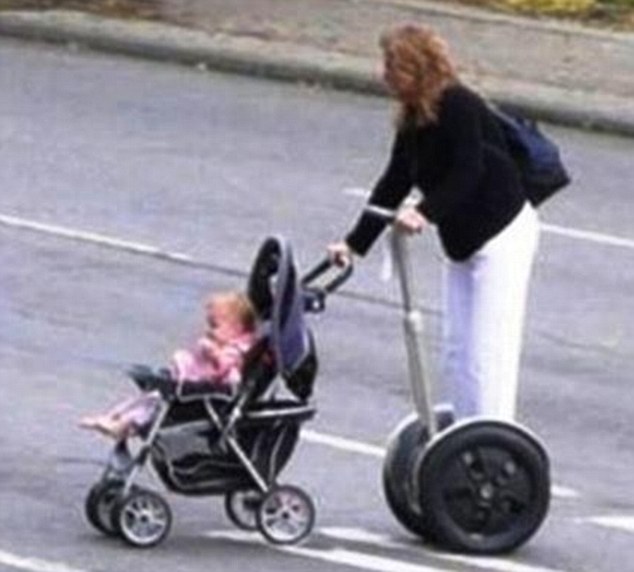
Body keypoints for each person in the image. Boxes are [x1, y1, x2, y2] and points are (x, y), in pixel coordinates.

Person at [328, 24, 539, 421]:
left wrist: (424, 212)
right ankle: (464, 432)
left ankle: (493, 437)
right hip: (463, 243)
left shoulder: (457, 104)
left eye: (393, 67)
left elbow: (468, 170)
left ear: (417, 69)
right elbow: (394, 182)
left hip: (502, 237)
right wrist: (354, 245)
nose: (385, 76)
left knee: (488, 351)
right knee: (458, 350)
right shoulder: (412, 118)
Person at [79, 291, 258, 439]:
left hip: (208, 396)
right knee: (148, 397)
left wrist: (214, 353)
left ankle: (125, 425)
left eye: (215, 326)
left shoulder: (237, 349)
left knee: (155, 402)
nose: (209, 331)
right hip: (200, 388)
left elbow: (227, 370)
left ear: (238, 328)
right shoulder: (229, 343)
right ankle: (114, 416)